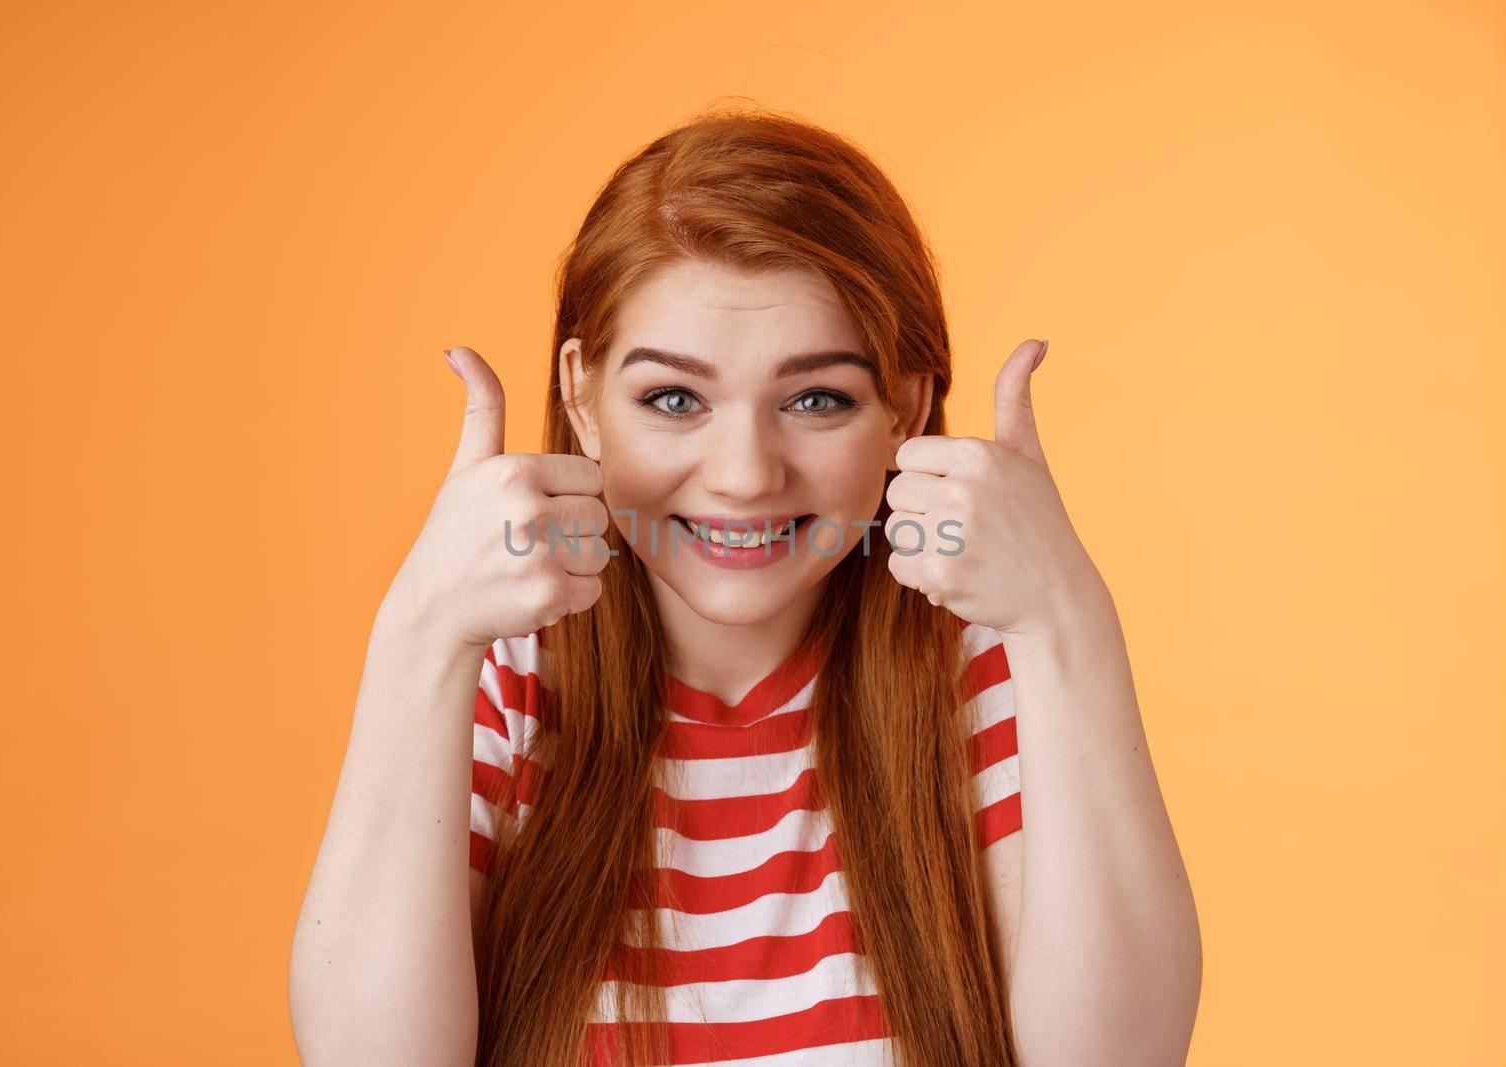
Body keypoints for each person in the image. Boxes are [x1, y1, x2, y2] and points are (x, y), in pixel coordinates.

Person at [289, 105, 1202, 1067]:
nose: (744, 474)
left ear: (907, 406)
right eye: (673, 399)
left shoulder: (987, 672)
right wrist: (418, 637)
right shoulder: (500, 682)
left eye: (816, 399)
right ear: (581, 396)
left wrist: (1068, 619)